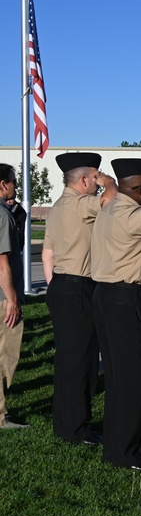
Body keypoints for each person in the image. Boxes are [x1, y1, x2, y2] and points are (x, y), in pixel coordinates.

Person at [90, 158, 141, 469]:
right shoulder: (133, 214)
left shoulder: (109, 209)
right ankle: (127, 452)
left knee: (119, 377)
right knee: (133, 379)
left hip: (107, 296)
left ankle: (117, 446)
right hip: (129, 297)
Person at [41, 152, 117, 444]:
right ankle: (76, 427)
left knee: (68, 360)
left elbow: (49, 251)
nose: (98, 184)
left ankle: (65, 422)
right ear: (84, 180)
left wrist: (56, 284)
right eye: (95, 178)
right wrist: (108, 182)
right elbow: (112, 198)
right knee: (82, 362)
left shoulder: (58, 207)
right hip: (79, 286)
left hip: (62, 285)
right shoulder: (81, 204)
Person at [0, 164, 26, 430]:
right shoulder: (3, 216)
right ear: (2, 184)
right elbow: (2, 261)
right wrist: (12, 300)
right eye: (13, 182)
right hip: (2, 298)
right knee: (6, 356)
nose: (14, 187)